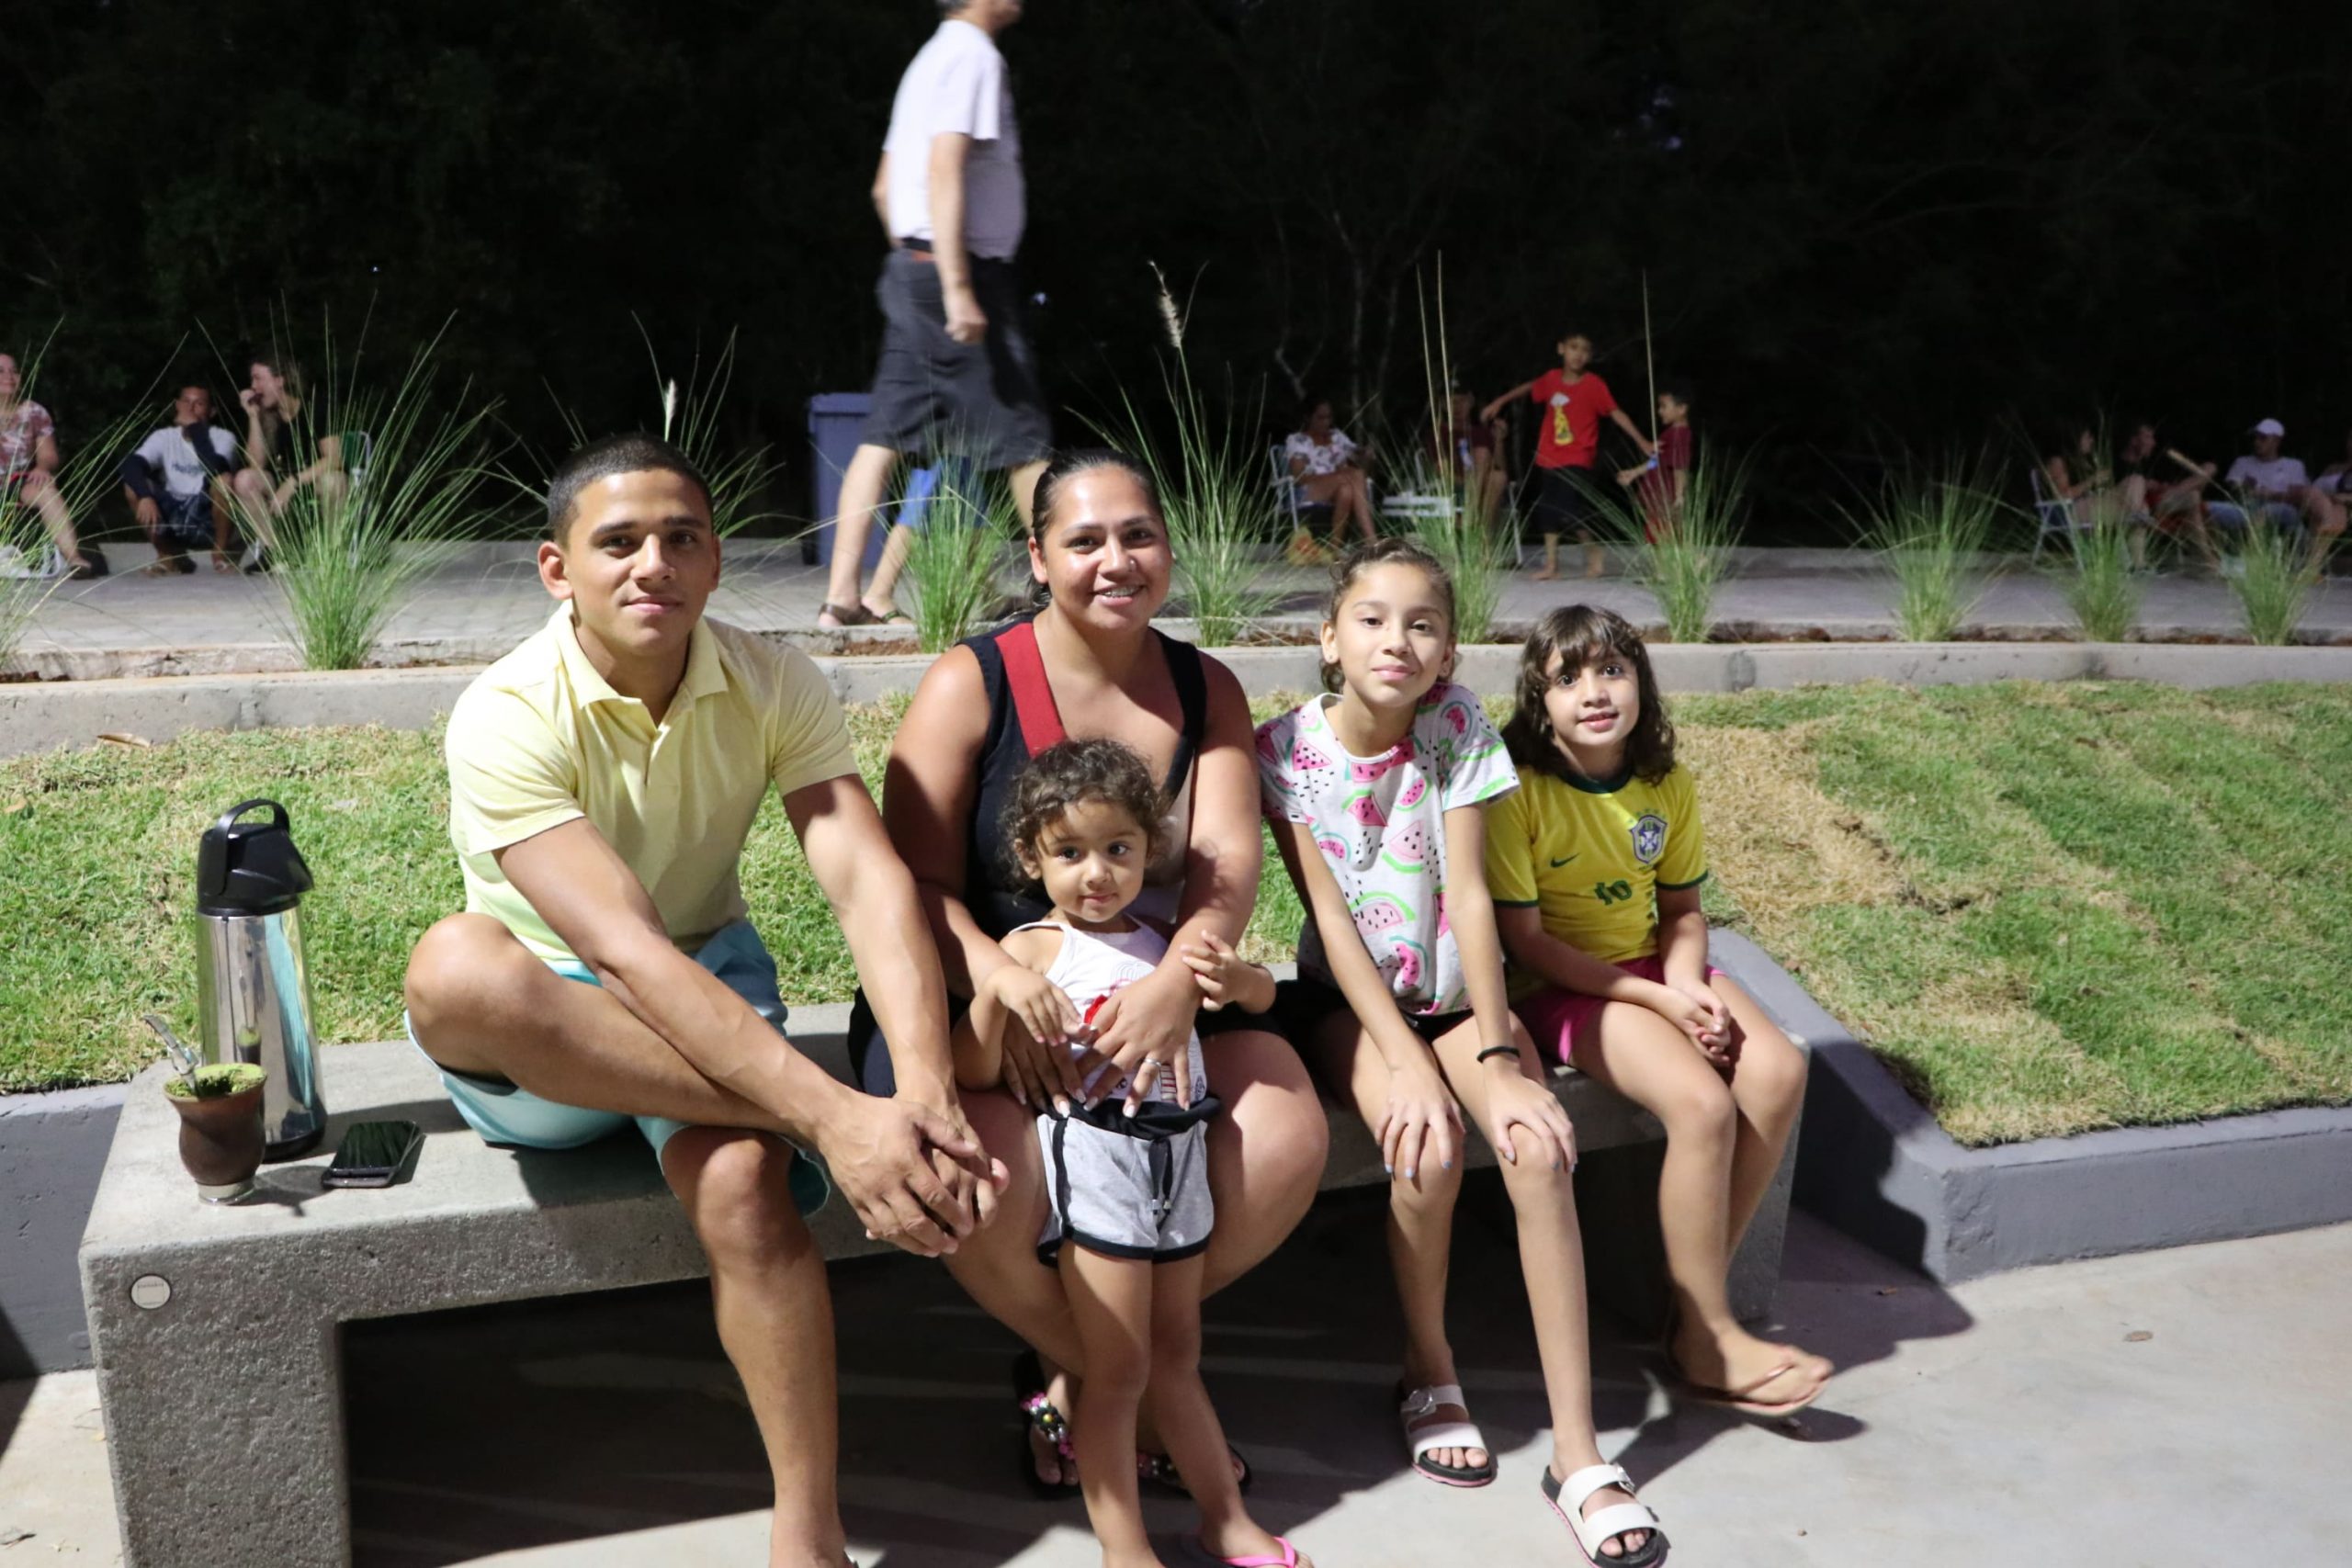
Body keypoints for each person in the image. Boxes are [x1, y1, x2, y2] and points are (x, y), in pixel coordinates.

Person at [401, 434, 1005, 1568]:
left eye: (681, 539)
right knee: (454, 965)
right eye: (618, 542)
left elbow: (867, 881)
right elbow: (620, 950)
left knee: (743, 1188)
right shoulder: (506, 709)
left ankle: (809, 1534)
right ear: (556, 569)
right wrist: (837, 1116)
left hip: (708, 982)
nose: (654, 565)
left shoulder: (773, 679)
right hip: (554, 1024)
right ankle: (809, 1116)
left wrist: (925, 1090)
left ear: (716, 561)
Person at [858, 448, 1329, 1496]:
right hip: (980, 999)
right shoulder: (971, 681)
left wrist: (1176, 988)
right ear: (1038, 557)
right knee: (972, 1173)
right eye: (1084, 541)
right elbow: (907, 885)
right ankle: (1127, 1379)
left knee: (1284, 1129)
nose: (1116, 560)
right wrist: (998, 978)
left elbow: (1224, 868)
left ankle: (1089, 1383)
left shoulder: (1206, 687)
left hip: (1151, 989)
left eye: (1137, 535)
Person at [1256, 538, 1664, 1564]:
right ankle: (1429, 1370)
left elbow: (1472, 896)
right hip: (1350, 1007)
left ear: (1447, 652)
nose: (1396, 640)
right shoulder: (1284, 750)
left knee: (1539, 1148)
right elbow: (1333, 923)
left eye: (1423, 624)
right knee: (1426, 1148)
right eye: (1372, 619)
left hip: (1457, 996)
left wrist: (1495, 1056)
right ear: (1329, 637)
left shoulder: (1456, 724)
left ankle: (1578, 1454)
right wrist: (1403, 1064)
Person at [956, 738, 1306, 1568]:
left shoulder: (1163, 942)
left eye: (1118, 848)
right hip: (1098, 1165)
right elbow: (970, 1067)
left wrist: (1239, 980)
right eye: (1070, 852)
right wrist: (999, 995)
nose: (1097, 873)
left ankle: (1225, 1520)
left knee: (1177, 1354)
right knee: (1120, 1366)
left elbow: (1259, 992)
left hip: (1178, 1159)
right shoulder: (1033, 948)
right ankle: (1125, 1548)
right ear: (1032, 858)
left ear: (1152, 848)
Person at [1488, 604, 1825, 1425]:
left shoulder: (1665, 783)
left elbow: (1681, 911)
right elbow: (1527, 944)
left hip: (1654, 966)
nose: (1595, 692)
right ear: (1539, 701)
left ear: (1641, 680)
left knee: (1777, 1072)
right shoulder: (1520, 791)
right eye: (1568, 678)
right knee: (1702, 1104)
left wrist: (1687, 983)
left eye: (1613, 670)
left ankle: (1696, 1317)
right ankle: (1710, 1329)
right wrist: (1659, 999)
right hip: (1563, 985)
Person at [820, 0, 1052, 631]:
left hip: (912, 264)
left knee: (883, 437)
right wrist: (956, 286)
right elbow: (944, 166)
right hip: (963, 270)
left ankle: (842, 598)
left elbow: (884, 186)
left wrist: (917, 265)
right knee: (1023, 436)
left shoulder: (926, 60)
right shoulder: (973, 56)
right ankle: (1057, 588)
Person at [1483, 333, 1654, 581]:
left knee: (1568, 507)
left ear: (1590, 356)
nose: (1578, 354)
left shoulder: (1594, 385)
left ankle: (1593, 550)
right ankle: (1552, 565)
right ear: (1561, 349)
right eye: (1574, 348)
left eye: (1585, 350)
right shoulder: (1552, 379)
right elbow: (1531, 386)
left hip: (1578, 456)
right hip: (1550, 456)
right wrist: (1500, 402)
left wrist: (1642, 441)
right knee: (1547, 510)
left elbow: (1616, 413)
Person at [232, 355, 358, 572]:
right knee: (244, 479)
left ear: (279, 380)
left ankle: (332, 553)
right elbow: (255, 463)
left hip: (311, 481)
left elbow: (335, 458)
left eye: (258, 378)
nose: (253, 386)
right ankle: (275, 552)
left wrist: (294, 482)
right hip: (278, 483)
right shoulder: (265, 412)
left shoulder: (315, 406)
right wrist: (253, 416)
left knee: (334, 481)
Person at [119, 386, 242, 575]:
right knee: (133, 486)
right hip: (173, 510)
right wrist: (145, 496)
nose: (190, 409)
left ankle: (220, 555)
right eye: (186, 402)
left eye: (199, 404)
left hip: (206, 513)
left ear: (211, 412)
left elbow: (216, 467)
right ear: (177, 406)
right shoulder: (164, 437)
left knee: (224, 481)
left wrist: (195, 428)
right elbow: (131, 465)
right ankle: (167, 557)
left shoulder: (224, 437)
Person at [0, 351, 102, 579]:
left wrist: (42, 468)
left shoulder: (34, 412)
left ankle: (74, 558)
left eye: (14, 371)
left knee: (45, 488)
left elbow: (49, 455)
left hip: (16, 482)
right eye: (1, 371)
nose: (9, 376)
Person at [2217, 418, 2346, 569]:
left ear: (2277, 441)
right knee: (2209, 509)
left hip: (2283, 507)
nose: (2257, 442)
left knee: (2266, 512)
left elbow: (2297, 495)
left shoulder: (2293, 465)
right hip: (2246, 506)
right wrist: (2253, 491)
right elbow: (2234, 487)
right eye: (2255, 438)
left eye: (2263, 438)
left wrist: (2264, 493)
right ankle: (2213, 562)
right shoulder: (2242, 462)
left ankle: (2251, 564)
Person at [1284, 396, 1377, 559]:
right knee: (1353, 475)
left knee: (1346, 490)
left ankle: (1334, 548)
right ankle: (1372, 542)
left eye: (1329, 417)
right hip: (1309, 490)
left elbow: (1360, 461)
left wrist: (1366, 455)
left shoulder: (1337, 437)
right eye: (1320, 418)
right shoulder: (1298, 440)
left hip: (1339, 485)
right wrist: (1336, 476)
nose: (1326, 422)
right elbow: (1299, 477)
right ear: (1308, 418)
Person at [1615, 386, 1693, 543]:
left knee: (1663, 538)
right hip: (1657, 495)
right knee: (1658, 535)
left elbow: (1680, 467)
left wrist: (1679, 496)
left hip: (1665, 496)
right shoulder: (1670, 433)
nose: (1659, 411)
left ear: (1681, 409)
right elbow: (1657, 461)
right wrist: (1634, 473)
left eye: (1664, 406)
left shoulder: (1680, 434)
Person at [1429, 386, 1507, 523]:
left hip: (1484, 486)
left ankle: (1474, 525)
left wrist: (1499, 441)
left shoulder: (1482, 432)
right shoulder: (1439, 432)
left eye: (1462, 401)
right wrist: (1468, 482)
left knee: (1499, 477)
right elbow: (1440, 470)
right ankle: (1473, 522)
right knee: (1481, 453)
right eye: (1452, 402)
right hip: (1455, 487)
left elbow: (1501, 468)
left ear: (1471, 402)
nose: (1457, 406)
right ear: (1444, 405)